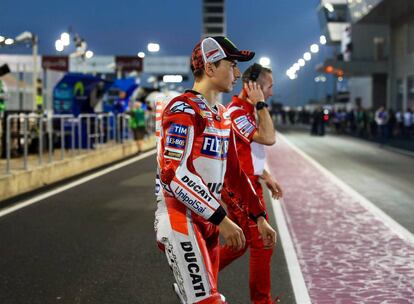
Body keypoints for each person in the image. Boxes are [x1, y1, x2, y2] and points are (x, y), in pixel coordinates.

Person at [154, 36, 277, 304]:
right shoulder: (182, 108)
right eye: (231, 65)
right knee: (209, 301)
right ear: (210, 68)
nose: (237, 73)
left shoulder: (221, 115)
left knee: (201, 298)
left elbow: (235, 173)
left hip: (207, 221)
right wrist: (222, 219)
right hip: (180, 218)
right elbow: (173, 174)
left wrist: (259, 216)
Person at [219, 63, 283, 304]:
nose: (271, 93)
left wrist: (265, 174)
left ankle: (199, 280)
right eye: (268, 87)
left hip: (247, 181)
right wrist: (260, 103)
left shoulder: (245, 109)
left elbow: (248, 149)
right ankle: (262, 302)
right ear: (252, 87)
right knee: (262, 243)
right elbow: (268, 138)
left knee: (240, 242)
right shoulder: (237, 110)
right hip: (239, 186)